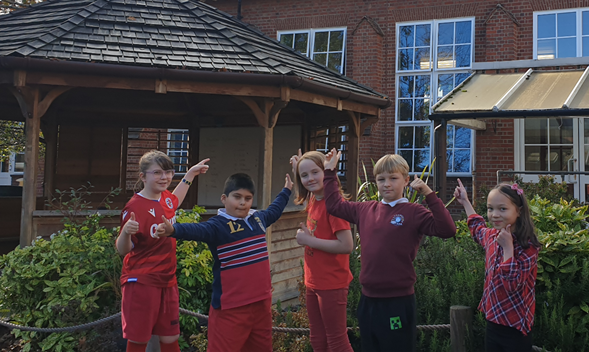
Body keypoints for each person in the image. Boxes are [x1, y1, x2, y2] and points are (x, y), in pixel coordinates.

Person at [323, 149, 457, 352]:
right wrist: (330, 172)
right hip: (368, 301)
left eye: (393, 178)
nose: (386, 184)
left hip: (397, 302)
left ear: (406, 181)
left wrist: (429, 195)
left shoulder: (414, 212)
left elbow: (447, 230)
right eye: (381, 179)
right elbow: (333, 205)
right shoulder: (365, 209)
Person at [153, 172, 293, 352]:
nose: (242, 202)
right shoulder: (217, 226)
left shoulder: (258, 219)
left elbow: (274, 210)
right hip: (230, 308)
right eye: (237, 197)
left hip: (261, 303)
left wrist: (287, 189)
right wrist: (173, 230)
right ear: (224, 198)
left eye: (248, 198)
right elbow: (196, 230)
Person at [116, 151, 210, 352]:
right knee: (139, 339)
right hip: (141, 281)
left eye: (168, 172)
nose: (164, 177)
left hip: (168, 280)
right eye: (157, 173)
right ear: (143, 176)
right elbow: (123, 250)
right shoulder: (134, 207)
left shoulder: (165, 197)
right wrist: (125, 232)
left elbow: (175, 200)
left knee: (170, 336)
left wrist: (191, 174)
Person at [452, 179, 541, 352]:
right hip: (493, 319)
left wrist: (508, 248)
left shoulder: (528, 247)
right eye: (490, 208)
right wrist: (465, 201)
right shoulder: (492, 236)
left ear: (519, 211)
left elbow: (512, 284)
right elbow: (477, 227)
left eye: (503, 209)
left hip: (516, 326)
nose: (494, 214)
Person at [289, 150, 355, 352]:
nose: (310, 179)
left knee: (337, 342)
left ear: (326, 172)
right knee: (318, 340)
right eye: (304, 175)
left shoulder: (335, 206)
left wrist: (309, 240)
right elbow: (309, 185)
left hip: (331, 283)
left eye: (315, 172)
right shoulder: (314, 199)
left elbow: (346, 245)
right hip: (313, 281)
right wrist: (298, 168)